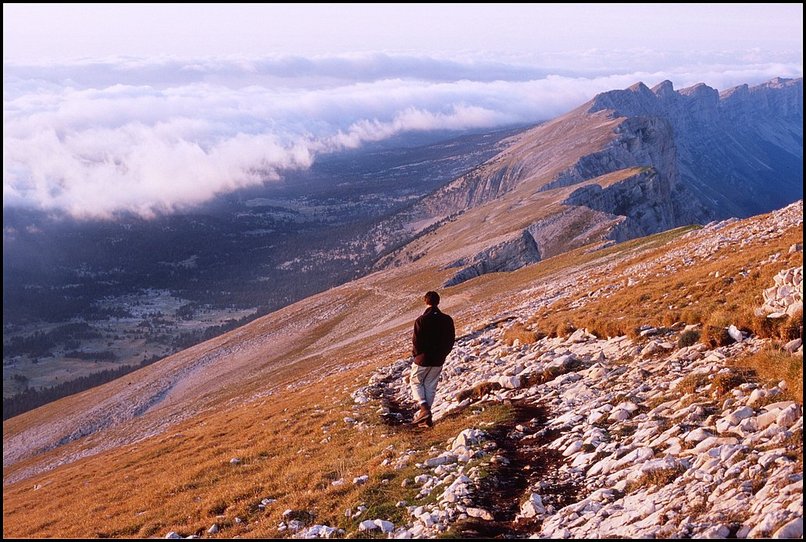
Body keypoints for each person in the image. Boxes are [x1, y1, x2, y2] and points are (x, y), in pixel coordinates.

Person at [410, 291, 455, 427]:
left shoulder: (421, 320)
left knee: (416, 382)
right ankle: (427, 418)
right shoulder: (447, 319)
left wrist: (417, 356)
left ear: (426, 302)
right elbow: (451, 339)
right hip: (438, 359)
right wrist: (444, 354)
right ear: (438, 302)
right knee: (430, 385)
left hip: (423, 358)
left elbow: (416, 341)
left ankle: (424, 410)